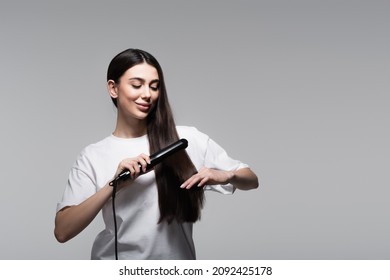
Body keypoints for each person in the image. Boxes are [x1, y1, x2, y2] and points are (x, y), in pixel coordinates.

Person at [54, 48, 259, 260]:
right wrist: (113, 184)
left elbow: (251, 180)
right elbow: (62, 230)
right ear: (113, 88)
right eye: (136, 85)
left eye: (154, 86)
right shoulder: (93, 155)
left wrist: (227, 175)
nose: (147, 94)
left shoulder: (186, 139)